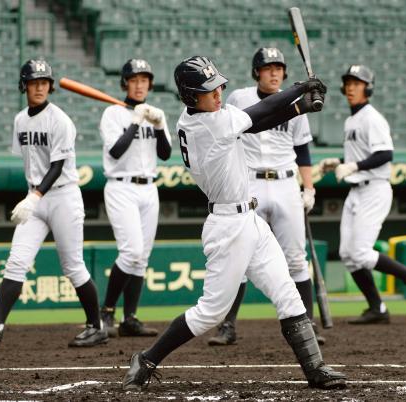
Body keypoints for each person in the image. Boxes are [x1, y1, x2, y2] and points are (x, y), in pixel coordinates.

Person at [122, 56, 346, 390]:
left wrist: (299, 108)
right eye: (208, 90)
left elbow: (256, 122)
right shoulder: (206, 125)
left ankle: (315, 369)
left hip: (250, 219)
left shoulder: (209, 116)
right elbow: (257, 113)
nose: (218, 92)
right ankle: (147, 359)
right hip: (228, 226)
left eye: (218, 85)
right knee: (210, 312)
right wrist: (299, 90)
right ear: (189, 96)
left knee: (287, 294)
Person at [208, 47, 325, 347]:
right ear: (256, 72)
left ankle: (307, 324)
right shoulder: (239, 99)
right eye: (267, 67)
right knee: (242, 256)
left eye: (278, 68)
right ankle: (228, 326)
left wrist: (308, 187)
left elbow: (303, 150)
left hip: (286, 182)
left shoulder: (298, 103)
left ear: (284, 73)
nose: (273, 72)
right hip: (250, 184)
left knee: (296, 259)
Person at [0, 59, 108, 347]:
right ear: (24, 86)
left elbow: (57, 166)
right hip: (36, 196)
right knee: (16, 262)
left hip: (63, 196)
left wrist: (34, 196)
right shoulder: (20, 120)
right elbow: (33, 164)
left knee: (73, 266)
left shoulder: (60, 120)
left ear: (50, 86)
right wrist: (33, 195)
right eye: (34, 82)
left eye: (44, 82)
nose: (39, 87)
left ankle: (96, 326)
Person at [319, 64, 406, 324]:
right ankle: (377, 309)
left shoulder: (372, 117)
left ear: (368, 87)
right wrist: (337, 162)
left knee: (361, 252)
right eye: (348, 83)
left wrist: (354, 166)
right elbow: (357, 156)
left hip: (374, 189)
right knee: (347, 253)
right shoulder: (351, 120)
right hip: (356, 191)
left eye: (357, 83)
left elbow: (385, 154)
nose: (351, 88)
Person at [99, 58, 172, 337]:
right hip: (121, 187)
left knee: (142, 258)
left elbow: (165, 154)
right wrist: (135, 120)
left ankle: (130, 318)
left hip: (149, 188)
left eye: (144, 79)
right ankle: (107, 312)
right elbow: (116, 151)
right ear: (125, 83)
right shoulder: (113, 114)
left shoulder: (155, 112)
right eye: (134, 79)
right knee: (131, 252)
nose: (140, 84)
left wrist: (158, 123)